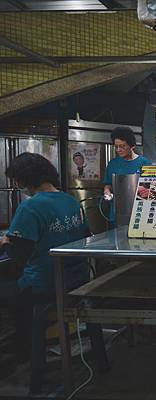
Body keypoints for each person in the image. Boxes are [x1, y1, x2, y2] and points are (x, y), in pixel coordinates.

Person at [0, 153, 108, 394]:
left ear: (24, 180)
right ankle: (25, 350)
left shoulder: (30, 206)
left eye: (18, 180)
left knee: (8, 294)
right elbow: (84, 236)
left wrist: (6, 240)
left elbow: (18, 254)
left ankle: (22, 358)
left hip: (44, 287)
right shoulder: (70, 201)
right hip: (77, 280)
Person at [103, 127, 152, 223]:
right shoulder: (113, 163)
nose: (118, 149)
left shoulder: (144, 163)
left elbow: (150, 188)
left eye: (122, 146)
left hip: (139, 213)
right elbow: (107, 185)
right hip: (117, 213)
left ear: (132, 146)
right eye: (116, 146)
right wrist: (107, 192)